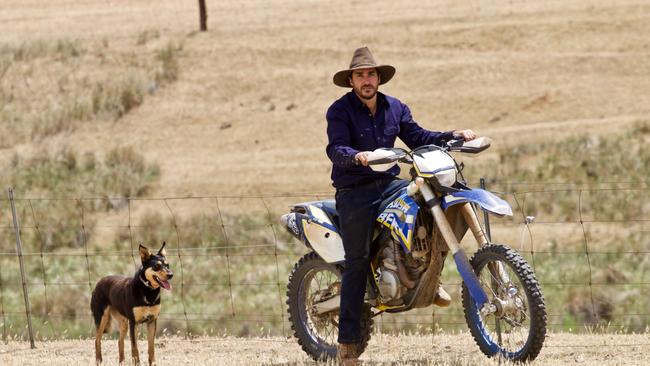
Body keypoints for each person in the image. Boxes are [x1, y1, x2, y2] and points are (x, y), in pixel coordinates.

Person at [326, 46, 476, 365]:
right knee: (356, 261)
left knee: (429, 204)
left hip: (390, 183)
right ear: (351, 80)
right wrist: (356, 156)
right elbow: (335, 147)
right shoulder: (339, 111)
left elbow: (419, 137)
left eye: (370, 74)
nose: (366, 80)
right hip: (354, 190)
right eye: (359, 75)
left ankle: (426, 280)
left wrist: (453, 135)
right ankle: (347, 346)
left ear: (379, 78)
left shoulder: (395, 108)